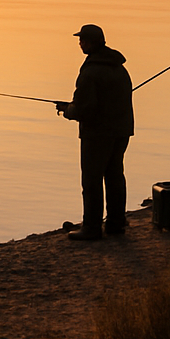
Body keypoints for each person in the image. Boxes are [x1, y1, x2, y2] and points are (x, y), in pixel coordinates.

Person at [55, 24, 134, 241]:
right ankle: (116, 224)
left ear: (90, 43)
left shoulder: (90, 72)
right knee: (115, 176)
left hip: (97, 135)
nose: (79, 43)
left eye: (82, 40)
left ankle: (91, 228)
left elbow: (83, 109)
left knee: (91, 180)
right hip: (122, 131)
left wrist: (68, 110)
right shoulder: (119, 68)